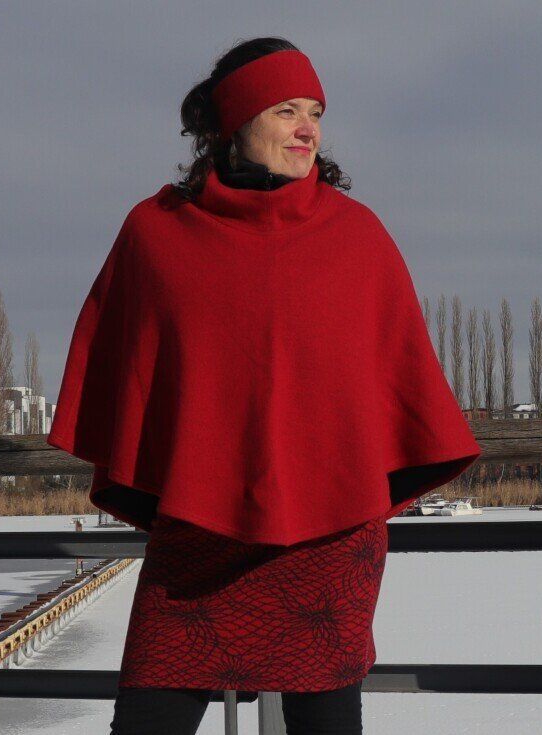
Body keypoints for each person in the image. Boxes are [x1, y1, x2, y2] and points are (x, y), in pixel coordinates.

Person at [45, 37, 482, 734]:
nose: (307, 129)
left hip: (328, 533)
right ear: (233, 123)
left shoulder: (357, 237)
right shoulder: (157, 233)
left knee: (325, 722)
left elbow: (396, 385)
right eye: (286, 110)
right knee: (149, 716)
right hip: (197, 528)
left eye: (316, 112)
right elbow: (125, 370)